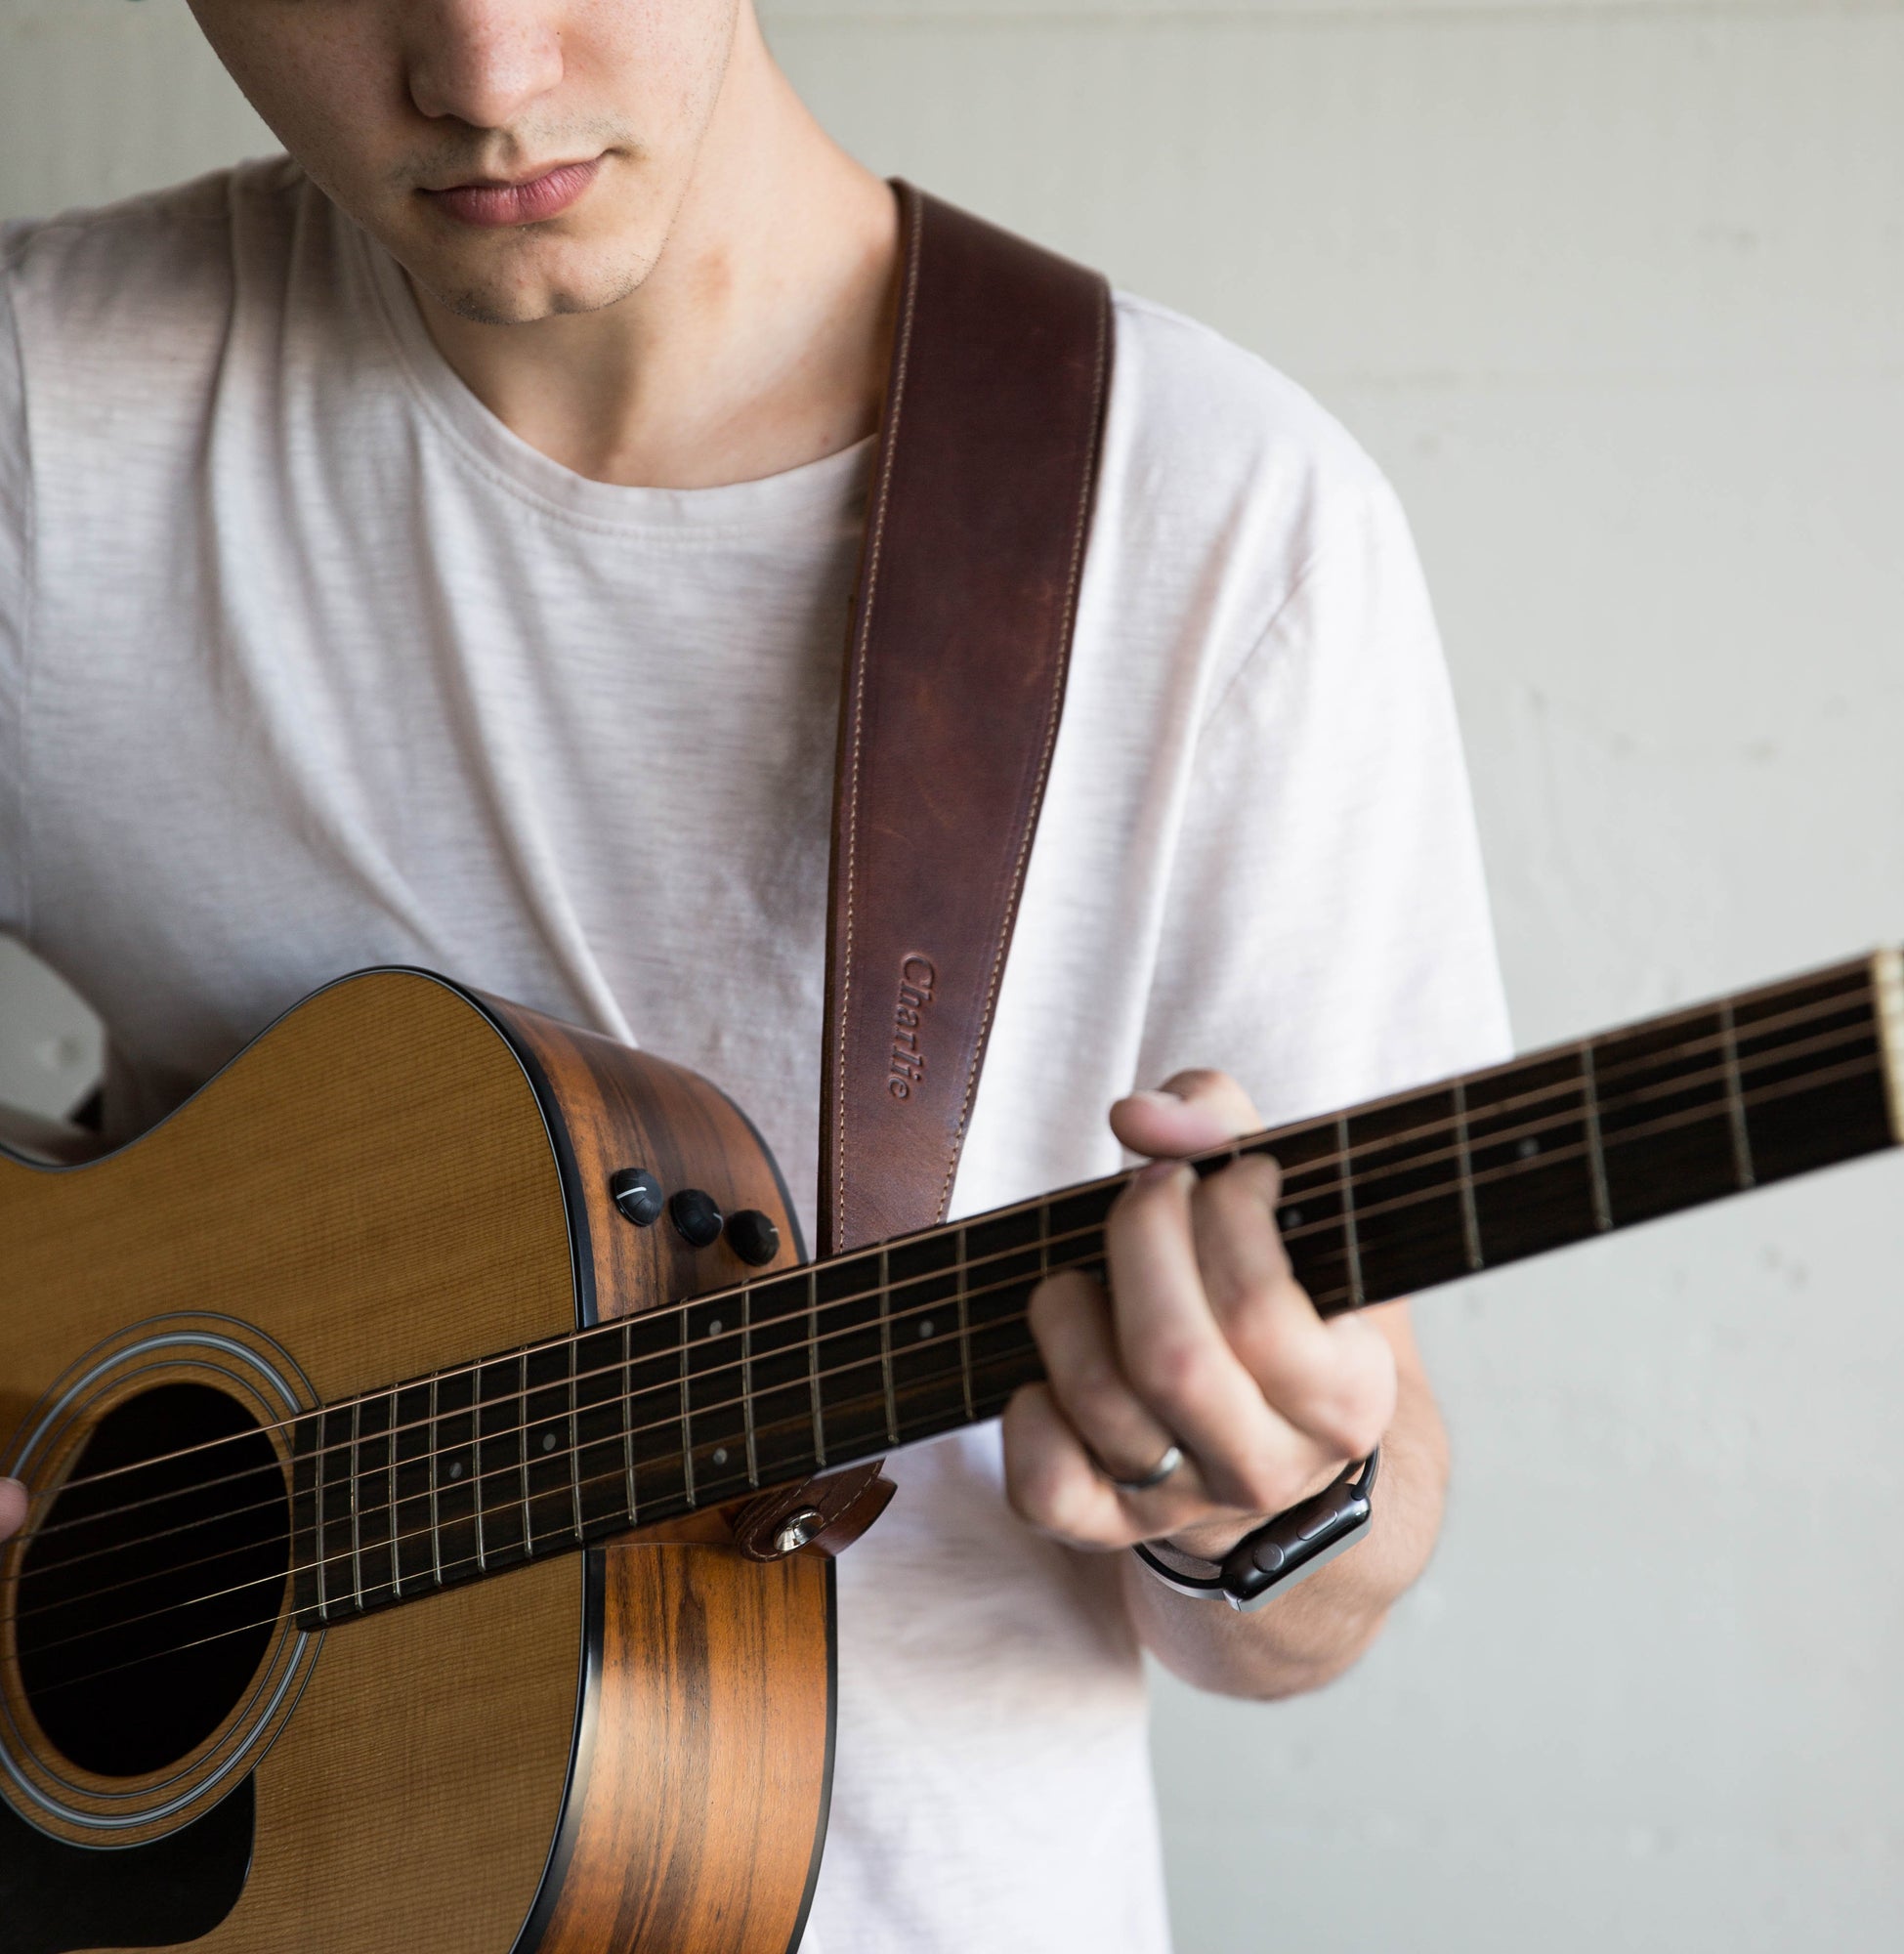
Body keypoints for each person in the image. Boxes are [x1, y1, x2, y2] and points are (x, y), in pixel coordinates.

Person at [0, 3, 1508, 1947]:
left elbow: (1300, 1625)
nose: (482, 72)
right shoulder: (50, 429)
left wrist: (1267, 1507)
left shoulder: (1226, 538)